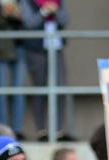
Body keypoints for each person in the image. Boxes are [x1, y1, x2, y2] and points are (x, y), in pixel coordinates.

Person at [19, 0, 73, 141]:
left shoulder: (58, 1)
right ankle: (41, 131)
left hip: (55, 47)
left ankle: (59, 130)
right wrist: (43, 12)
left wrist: (55, 10)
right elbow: (28, 23)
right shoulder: (27, 2)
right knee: (40, 89)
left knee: (60, 87)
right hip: (36, 49)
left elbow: (65, 19)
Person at [0, 0, 27, 139]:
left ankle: (16, 129)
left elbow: (28, 21)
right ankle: (1, 130)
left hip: (19, 45)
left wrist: (18, 15)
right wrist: (6, 14)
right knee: (1, 90)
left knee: (18, 90)